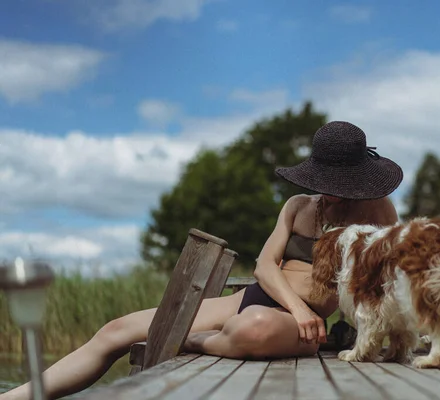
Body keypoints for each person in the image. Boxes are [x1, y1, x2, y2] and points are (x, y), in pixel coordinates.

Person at [1, 121, 404, 400]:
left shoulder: (378, 211)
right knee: (116, 329)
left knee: (256, 330)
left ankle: (195, 340)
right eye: (324, 183)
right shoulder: (299, 205)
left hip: (299, 323)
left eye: (339, 185)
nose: (330, 193)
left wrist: (405, 332)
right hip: (259, 299)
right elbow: (265, 265)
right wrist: (296, 306)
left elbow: (389, 278)